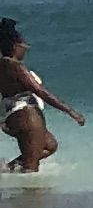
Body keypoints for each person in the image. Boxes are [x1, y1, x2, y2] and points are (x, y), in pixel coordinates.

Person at [1, 20, 83, 175]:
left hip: (11, 114)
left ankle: (6, 171)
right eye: (24, 47)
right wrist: (71, 112)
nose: (26, 50)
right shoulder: (17, 68)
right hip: (27, 115)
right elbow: (41, 92)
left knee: (49, 145)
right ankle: (30, 198)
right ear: (14, 47)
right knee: (31, 169)